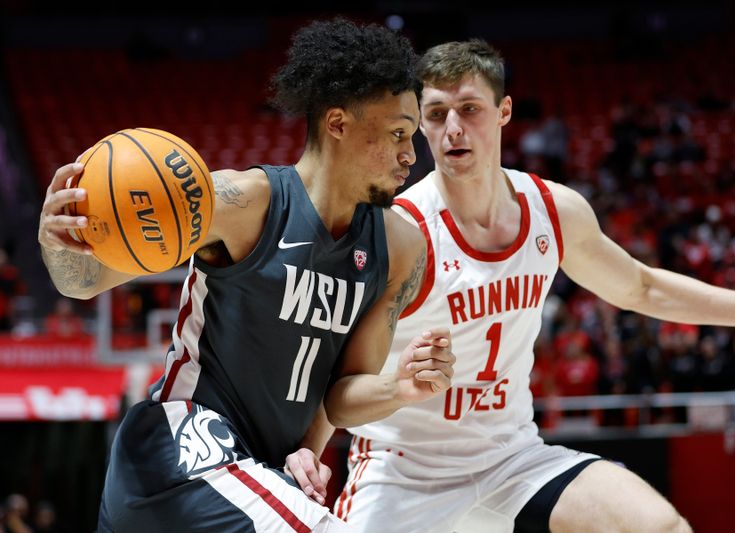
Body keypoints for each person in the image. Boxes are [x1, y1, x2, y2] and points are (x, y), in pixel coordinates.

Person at [329, 39, 735, 532]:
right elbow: (333, 377)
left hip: (512, 460)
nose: (453, 129)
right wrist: (312, 445)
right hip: (405, 472)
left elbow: (641, 287)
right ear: (420, 122)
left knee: (662, 527)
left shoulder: (553, 211)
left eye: (469, 109)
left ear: (503, 111)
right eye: (437, 113)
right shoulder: (399, 233)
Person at [37, 19, 455, 533]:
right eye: (397, 133)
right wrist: (55, 239)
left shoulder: (401, 247)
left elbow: (341, 395)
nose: (411, 154)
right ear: (339, 123)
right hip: (182, 446)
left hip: (257, 474)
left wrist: (396, 388)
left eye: (412, 136)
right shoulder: (243, 202)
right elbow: (81, 282)